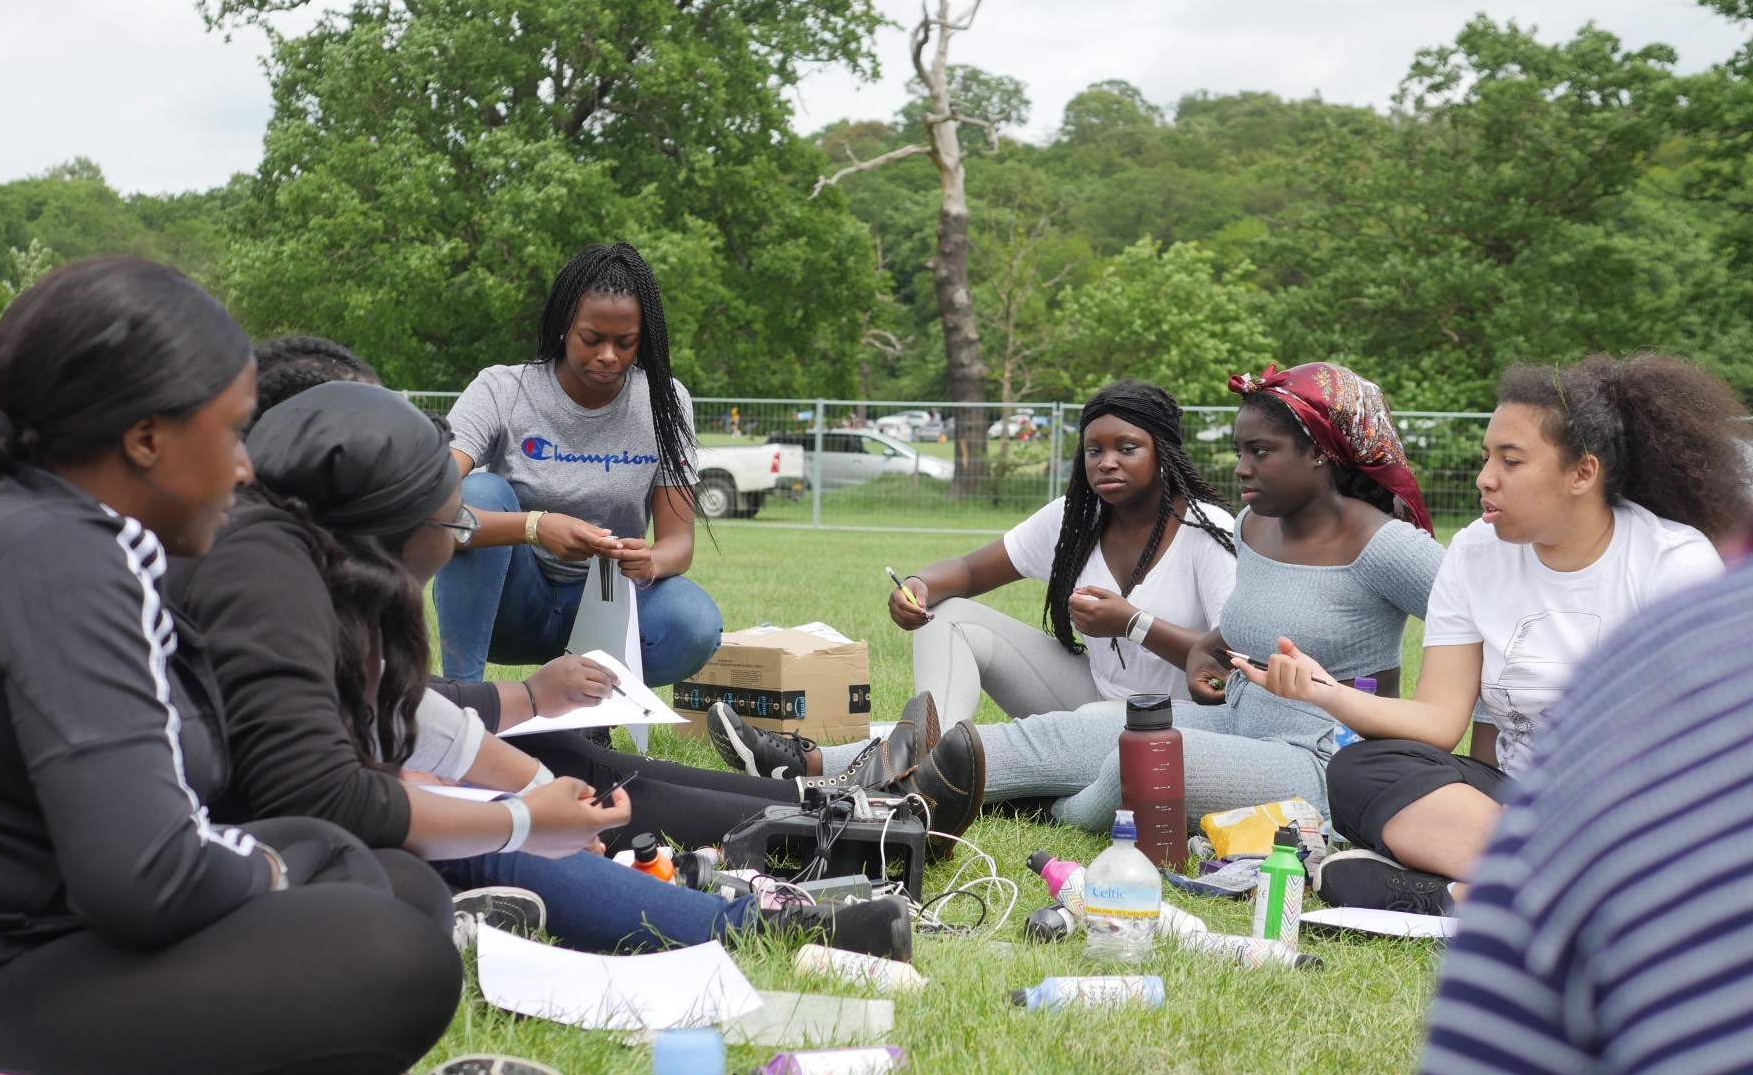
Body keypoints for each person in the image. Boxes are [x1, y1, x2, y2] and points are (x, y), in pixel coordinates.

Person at [0, 260, 580, 1075]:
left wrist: (304, 863)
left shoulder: (42, 525)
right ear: (145, 438)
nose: (244, 464)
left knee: (389, 881)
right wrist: (278, 870)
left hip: (21, 940)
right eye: (231, 430)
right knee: (391, 954)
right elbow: (143, 878)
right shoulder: (60, 562)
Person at [168, 380, 913, 961]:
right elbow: (330, 792)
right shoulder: (270, 584)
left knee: (549, 770)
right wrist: (521, 820)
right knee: (467, 853)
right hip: (257, 854)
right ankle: (747, 923)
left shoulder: (293, 567)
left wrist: (528, 778)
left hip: (287, 831)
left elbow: (403, 708)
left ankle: (835, 816)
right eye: (457, 524)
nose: (460, 537)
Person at [709, 363, 1444, 842]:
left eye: (1261, 453)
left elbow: (1479, 627)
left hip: (1319, 762)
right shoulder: (1259, 526)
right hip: (1237, 721)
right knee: (1065, 734)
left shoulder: (1385, 546)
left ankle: (1012, 802)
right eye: (1240, 450)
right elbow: (1229, 639)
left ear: (1321, 452)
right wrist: (1205, 655)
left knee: (1135, 762)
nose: (1242, 468)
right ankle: (814, 768)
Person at [1245, 353, 1740, 912]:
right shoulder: (1474, 553)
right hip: (1520, 802)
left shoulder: (1673, 562)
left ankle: (1472, 891)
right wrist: (1323, 691)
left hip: (1635, 803)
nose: (1485, 478)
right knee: (1361, 769)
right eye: (1486, 458)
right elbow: (1438, 720)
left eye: (1512, 461)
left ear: (1582, 474)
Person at [1400, 555, 1753, 1075]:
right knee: (1366, 765)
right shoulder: (1479, 555)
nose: (1487, 495)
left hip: (1559, 806)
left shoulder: (1673, 609)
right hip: (1529, 792)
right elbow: (1460, 727)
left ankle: (1488, 873)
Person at [707, 382, 1237, 786]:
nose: (1107, 462)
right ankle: (926, 769)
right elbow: (969, 570)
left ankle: (815, 763)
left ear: (1163, 451)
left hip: (1175, 720)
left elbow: (1230, 661)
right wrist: (917, 585)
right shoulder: (1074, 518)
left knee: (1082, 724)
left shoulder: (1208, 530)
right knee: (951, 614)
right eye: (1094, 450)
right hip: (1088, 692)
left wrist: (1132, 623)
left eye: (1127, 448)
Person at [431, 243, 723, 687]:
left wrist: (650, 561)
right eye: (592, 339)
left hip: (608, 602)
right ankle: (465, 701)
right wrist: (535, 526)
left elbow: (678, 543)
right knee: (479, 493)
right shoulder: (502, 390)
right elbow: (430, 502)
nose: (609, 355)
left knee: (694, 623)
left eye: (626, 343)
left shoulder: (665, 400)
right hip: (509, 608)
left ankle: (593, 706)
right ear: (565, 325)